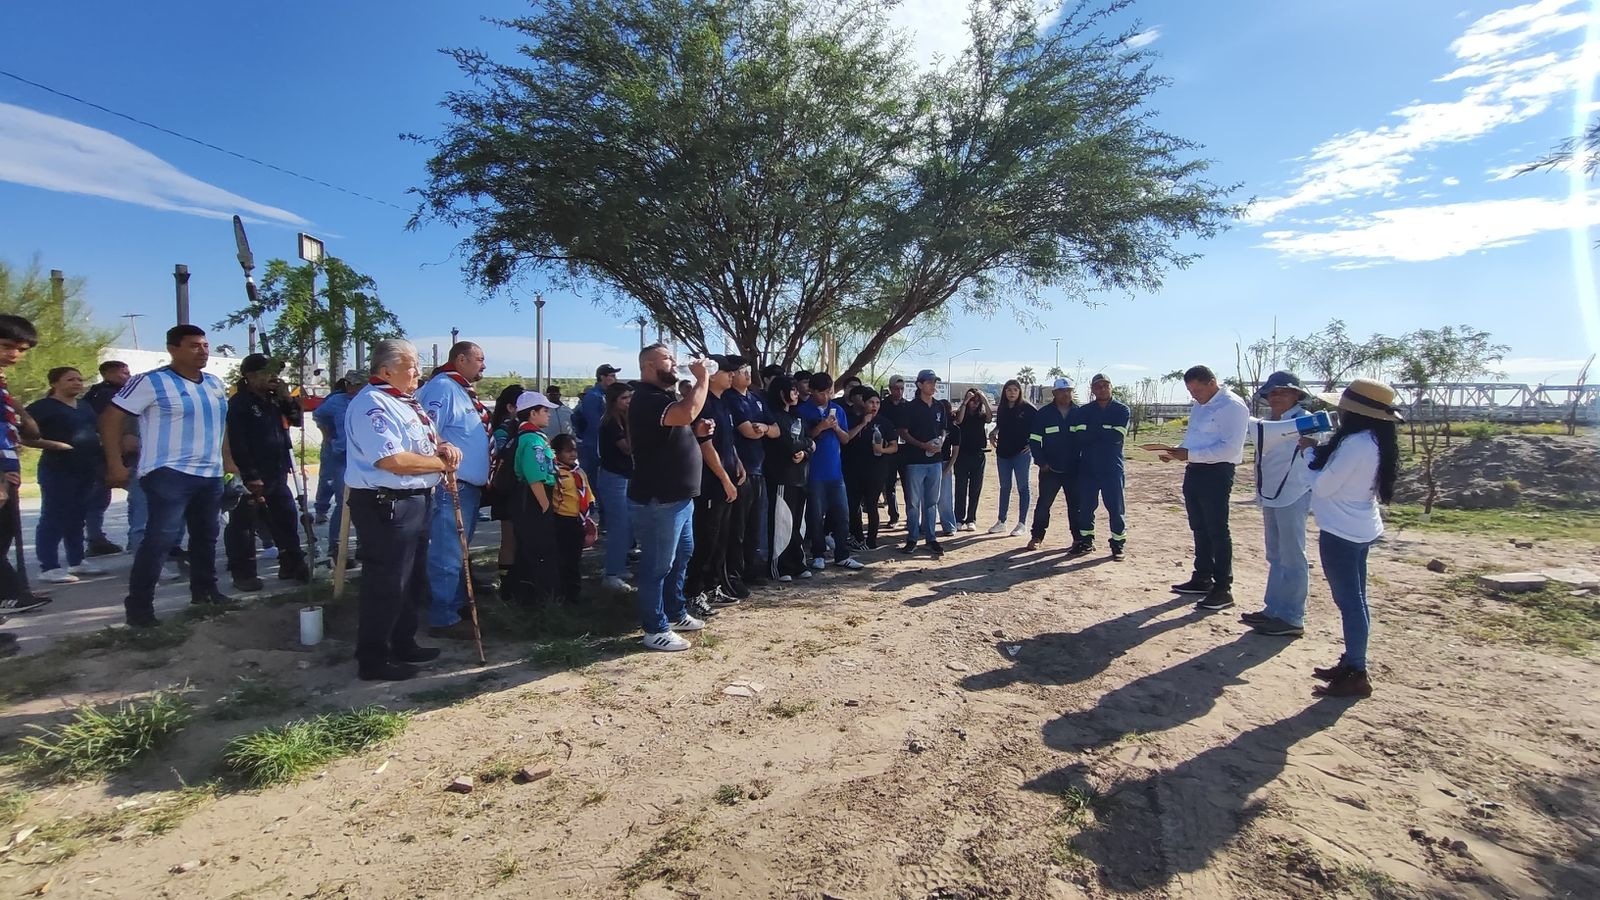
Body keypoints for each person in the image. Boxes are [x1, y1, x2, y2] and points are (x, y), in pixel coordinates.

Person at [102, 324, 237, 627]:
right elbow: (111, 417)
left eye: (205, 345)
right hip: (168, 472)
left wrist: (227, 459)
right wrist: (114, 463)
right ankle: (140, 608)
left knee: (206, 536)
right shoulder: (151, 381)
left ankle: (205, 592)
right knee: (160, 538)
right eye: (194, 345)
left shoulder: (214, 383)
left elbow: (222, 424)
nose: (202, 351)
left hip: (209, 472)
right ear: (173, 349)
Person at [342, 339, 462, 681]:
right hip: (387, 503)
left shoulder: (405, 402)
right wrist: (440, 465)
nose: (418, 373)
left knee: (411, 578)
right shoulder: (372, 404)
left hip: (416, 499)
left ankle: (403, 642)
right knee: (387, 581)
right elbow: (392, 460)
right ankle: (374, 658)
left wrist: (443, 447)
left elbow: (422, 442)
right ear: (386, 371)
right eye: (411, 367)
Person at [1305, 378, 1402, 699]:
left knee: (1350, 603)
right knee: (1356, 600)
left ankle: (1357, 671)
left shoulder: (1356, 444)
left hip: (1340, 530)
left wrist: (1308, 456)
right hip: (1359, 527)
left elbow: (1323, 487)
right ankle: (1351, 662)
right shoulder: (1374, 440)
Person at [628, 344, 712, 652]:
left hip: (678, 498)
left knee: (681, 557)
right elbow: (686, 412)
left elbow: (679, 423)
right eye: (667, 358)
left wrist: (696, 430)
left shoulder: (662, 397)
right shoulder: (645, 398)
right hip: (659, 498)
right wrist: (703, 379)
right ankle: (655, 629)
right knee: (657, 566)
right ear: (648, 365)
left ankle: (675, 613)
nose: (674, 362)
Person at [416, 341, 491, 640]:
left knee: (457, 552)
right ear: (461, 359)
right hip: (451, 485)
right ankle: (444, 617)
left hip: (467, 486)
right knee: (446, 553)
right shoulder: (443, 388)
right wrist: (440, 465)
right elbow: (427, 432)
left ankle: (457, 605)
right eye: (479, 359)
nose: (484, 365)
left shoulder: (460, 389)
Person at [1160, 365, 1250, 612]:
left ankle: (1223, 588)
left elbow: (1230, 449)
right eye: (1190, 391)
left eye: (1197, 390)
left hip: (1217, 472)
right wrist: (1176, 451)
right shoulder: (1199, 406)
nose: (1194, 396)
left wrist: (1190, 454)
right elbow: (1195, 438)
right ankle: (1202, 577)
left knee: (1217, 530)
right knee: (1199, 526)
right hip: (1195, 470)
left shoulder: (1233, 406)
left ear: (1212, 383)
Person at [222, 354, 311, 591]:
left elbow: (297, 420)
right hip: (252, 472)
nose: (273, 377)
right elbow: (237, 441)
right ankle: (243, 573)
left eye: (275, 373)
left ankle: (291, 563)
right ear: (250, 376)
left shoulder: (273, 400)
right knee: (244, 523)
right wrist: (250, 474)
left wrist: (287, 398)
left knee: (286, 517)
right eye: (267, 372)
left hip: (277, 470)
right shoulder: (240, 403)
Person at [1240, 372, 1318, 638]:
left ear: (1296, 394)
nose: (1276, 397)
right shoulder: (1267, 422)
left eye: (1283, 391)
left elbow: (1318, 448)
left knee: (1293, 555)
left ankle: (1292, 617)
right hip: (1270, 493)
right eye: (1272, 392)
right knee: (1275, 554)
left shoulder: (1306, 421)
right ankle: (1273, 610)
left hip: (1293, 493)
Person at [26, 367, 108, 584]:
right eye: (70, 379)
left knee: (77, 515)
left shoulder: (84, 406)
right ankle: (49, 566)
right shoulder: (42, 407)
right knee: (54, 516)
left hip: (86, 467)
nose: (77, 383)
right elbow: (23, 436)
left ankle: (77, 560)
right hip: (57, 468)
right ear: (55, 383)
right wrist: (53, 445)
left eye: (80, 379)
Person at [0, 315, 54, 624]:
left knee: (5, 534)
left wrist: (24, 416)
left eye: (21, 350)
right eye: (7, 346)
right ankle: (9, 594)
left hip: (7, 466)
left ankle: (11, 593)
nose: (14, 354)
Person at [686, 356, 744, 610]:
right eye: (727, 371)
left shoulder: (724, 402)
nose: (732, 375)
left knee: (721, 539)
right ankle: (694, 592)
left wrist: (737, 463)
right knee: (706, 539)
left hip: (727, 479)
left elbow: (726, 440)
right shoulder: (704, 403)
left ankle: (713, 587)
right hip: (711, 483)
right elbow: (706, 445)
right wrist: (724, 478)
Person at [800, 372, 865, 571]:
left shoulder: (837, 410)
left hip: (835, 472)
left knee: (842, 515)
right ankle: (818, 554)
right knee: (815, 516)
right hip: (814, 473)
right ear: (812, 391)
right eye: (821, 393)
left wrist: (836, 428)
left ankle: (842, 555)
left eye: (829, 392)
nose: (826, 397)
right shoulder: (803, 410)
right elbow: (802, 438)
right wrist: (820, 427)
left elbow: (845, 439)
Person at [726, 361, 777, 584]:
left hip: (758, 468)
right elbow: (748, 431)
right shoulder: (730, 399)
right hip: (740, 470)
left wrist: (764, 428)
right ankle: (734, 574)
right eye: (742, 371)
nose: (747, 374)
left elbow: (775, 430)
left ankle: (752, 569)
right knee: (738, 526)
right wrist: (762, 429)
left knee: (755, 524)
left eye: (748, 371)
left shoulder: (756, 398)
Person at [508, 389, 559, 604]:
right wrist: (546, 507)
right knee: (538, 548)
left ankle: (527, 596)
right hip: (533, 499)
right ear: (532, 413)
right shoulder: (532, 440)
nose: (548, 415)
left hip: (529, 498)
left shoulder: (527, 436)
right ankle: (538, 598)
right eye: (545, 410)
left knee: (528, 547)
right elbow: (534, 476)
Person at [1026, 378, 1085, 553]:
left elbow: (1085, 441)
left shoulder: (1079, 413)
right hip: (1049, 469)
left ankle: (1078, 539)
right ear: (1054, 393)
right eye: (1061, 391)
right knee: (1044, 505)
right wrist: (1041, 462)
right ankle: (1037, 536)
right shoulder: (1044, 414)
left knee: (1076, 506)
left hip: (1073, 470)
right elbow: (1034, 440)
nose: (1065, 394)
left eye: (1068, 390)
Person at [763, 376, 813, 582]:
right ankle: (780, 566)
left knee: (798, 524)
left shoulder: (798, 417)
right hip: (781, 477)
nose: (796, 393)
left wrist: (805, 452)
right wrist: (803, 446)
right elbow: (786, 442)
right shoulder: (773, 416)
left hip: (801, 477)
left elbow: (810, 441)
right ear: (781, 393)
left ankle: (798, 563)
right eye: (792, 390)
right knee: (782, 523)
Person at [1076, 374, 1131, 560]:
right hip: (1088, 467)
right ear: (1092, 390)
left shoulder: (1122, 410)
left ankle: (1118, 544)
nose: (1102, 389)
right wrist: (1105, 429)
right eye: (1098, 386)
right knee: (1086, 507)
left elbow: (1117, 436)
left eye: (1105, 385)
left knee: (1115, 508)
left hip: (1112, 467)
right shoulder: (1084, 411)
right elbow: (1080, 437)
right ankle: (1086, 541)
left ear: (1111, 387)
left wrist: (1093, 431)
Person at [898, 370, 949, 558]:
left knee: (932, 502)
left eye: (934, 382)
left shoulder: (939, 406)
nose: (933, 386)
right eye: (929, 382)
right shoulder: (910, 407)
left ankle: (931, 538)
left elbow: (943, 429)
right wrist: (922, 445)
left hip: (935, 461)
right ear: (919, 385)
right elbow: (903, 432)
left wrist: (941, 441)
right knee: (913, 502)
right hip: (915, 461)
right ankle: (912, 538)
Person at [80, 359, 129, 556]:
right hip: (106, 452)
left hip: (106, 450)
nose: (128, 377)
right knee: (98, 498)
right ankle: (96, 540)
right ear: (108, 373)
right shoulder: (107, 395)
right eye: (123, 373)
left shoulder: (95, 394)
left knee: (99, 498)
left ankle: (96, 538)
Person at [315, 373, 362, 558]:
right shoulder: (336, 401)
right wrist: (327, 436)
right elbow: (319, 415)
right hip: (341, 455)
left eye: (357, 384)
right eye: (349, 384)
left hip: (363, 458)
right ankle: (336, 547)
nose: (352, 388)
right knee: (344, 501)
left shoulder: (369, 400)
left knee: (364, 502)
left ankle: (362, 545)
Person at [844, 387, 896, 550]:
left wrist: (882, 450)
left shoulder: (885, 422)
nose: (874, 406)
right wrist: (863, 423)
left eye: (877, 403)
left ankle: (872, 539)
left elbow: (894, 446)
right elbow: (846, 438)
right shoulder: (853, 419)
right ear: (864, 403)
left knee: (872, 504)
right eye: (871, 402)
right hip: (854, 468)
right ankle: (857, 537)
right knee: (853, 505)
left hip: (876, 469)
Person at [596, 381, 636, 593]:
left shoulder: (621, 419)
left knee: (627, 524)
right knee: (618, 526)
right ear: (613, 401)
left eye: (630, 397)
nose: (629, 402)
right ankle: (611, 573)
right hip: (614, 478)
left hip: (625, 476)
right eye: (624, 398)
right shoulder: (611, 422)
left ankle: (619, 566)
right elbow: (627, 448)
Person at [488, 383, 526, 582]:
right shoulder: (502, 431)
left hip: (518, 490)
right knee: (509, 538)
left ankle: (518, 579)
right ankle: (507, 584)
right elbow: (502, 460)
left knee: (518, 538)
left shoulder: (521, 429)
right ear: (511, 407)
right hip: (508, 490)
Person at [549, 433, 591, 604]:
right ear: (557, 453)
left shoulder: (579, 472)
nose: (573, 454)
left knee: (575, 559)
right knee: (563, 560)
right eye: (568, 451)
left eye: (574, 450)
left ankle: (574, 593)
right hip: (562, 521)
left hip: (578, 520)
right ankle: (562, 594)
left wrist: (588, 516)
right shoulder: (555, 473)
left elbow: (586, 493)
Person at [988, 379, 1034, 537]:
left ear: (1020, 391)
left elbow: (1039, 427)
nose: (1012, 392)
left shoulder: (1028, 408)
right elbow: (1001, 425)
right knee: (1005, 487)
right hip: (1003, 453)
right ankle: (1001, 521)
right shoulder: (1002, 408)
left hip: (1021, 453)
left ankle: (1022, 523)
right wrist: (993, 432)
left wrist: (1033, 444)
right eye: (1009, 390)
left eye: (1015, 389)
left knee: (1023, 487)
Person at [952, 388, 991, 532]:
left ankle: (971, 518)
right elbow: (959, 420)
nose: (974, 403)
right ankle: (958, 518)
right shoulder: (961, 412)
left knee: (975, 488)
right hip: (962, 455)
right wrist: (965, 402)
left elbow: (989, 418)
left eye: (977, 401)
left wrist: (984, 399)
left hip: (978, 454)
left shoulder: (981, 416)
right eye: (972, 400)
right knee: (960, 487)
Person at [576, 364, 620, 482]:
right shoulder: (593, 396)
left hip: (600, 445)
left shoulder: (604, 395)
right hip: (593, 445)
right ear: (602, 377)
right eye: (612, 376)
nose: (615, 379)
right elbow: (595, 423)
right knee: (592, 481)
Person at [879, 374, 908, 527]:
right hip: (888, 449)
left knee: (908, 485)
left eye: (902, 388)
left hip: (905, 450)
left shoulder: (908, 406)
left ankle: (911, 516)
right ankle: (893, 516)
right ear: (890, 389)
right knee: (889, 484)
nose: (899, 391)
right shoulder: (883, 406)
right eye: (896, 388)